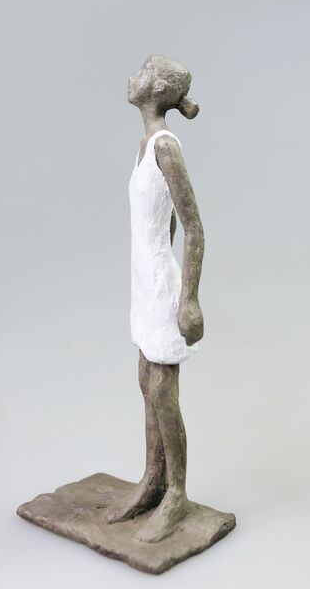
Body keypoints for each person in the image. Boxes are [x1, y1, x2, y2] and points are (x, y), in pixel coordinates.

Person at [105, 54, 204, 543]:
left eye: (143, 71)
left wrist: (188, 298)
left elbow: (194, 227)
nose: (133, 76)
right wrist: (154, 267)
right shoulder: (145, 145)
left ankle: (177, 494)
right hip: (145, 280)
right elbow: (162, 222)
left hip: (163, 287)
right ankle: (152, 480)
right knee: (146, 380)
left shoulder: (165, 147)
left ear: (158, 89)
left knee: (163, 388)